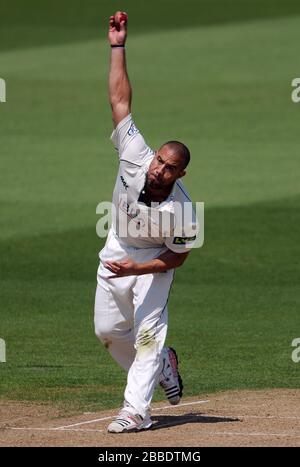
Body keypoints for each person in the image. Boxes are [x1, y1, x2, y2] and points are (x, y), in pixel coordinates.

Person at [94, 12, 198, 433]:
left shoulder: (184, 211)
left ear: (179, 175)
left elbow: (178, 259)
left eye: (169, 168)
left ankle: (137, 411)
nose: (158, 169)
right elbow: (120, 101)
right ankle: (162, 367)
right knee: (108, 330)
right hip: (118, 246)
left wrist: (139, 270)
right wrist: (117, 46)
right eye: (159, 161)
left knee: (148, 332)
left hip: (153, 261)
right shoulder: (135, 151)